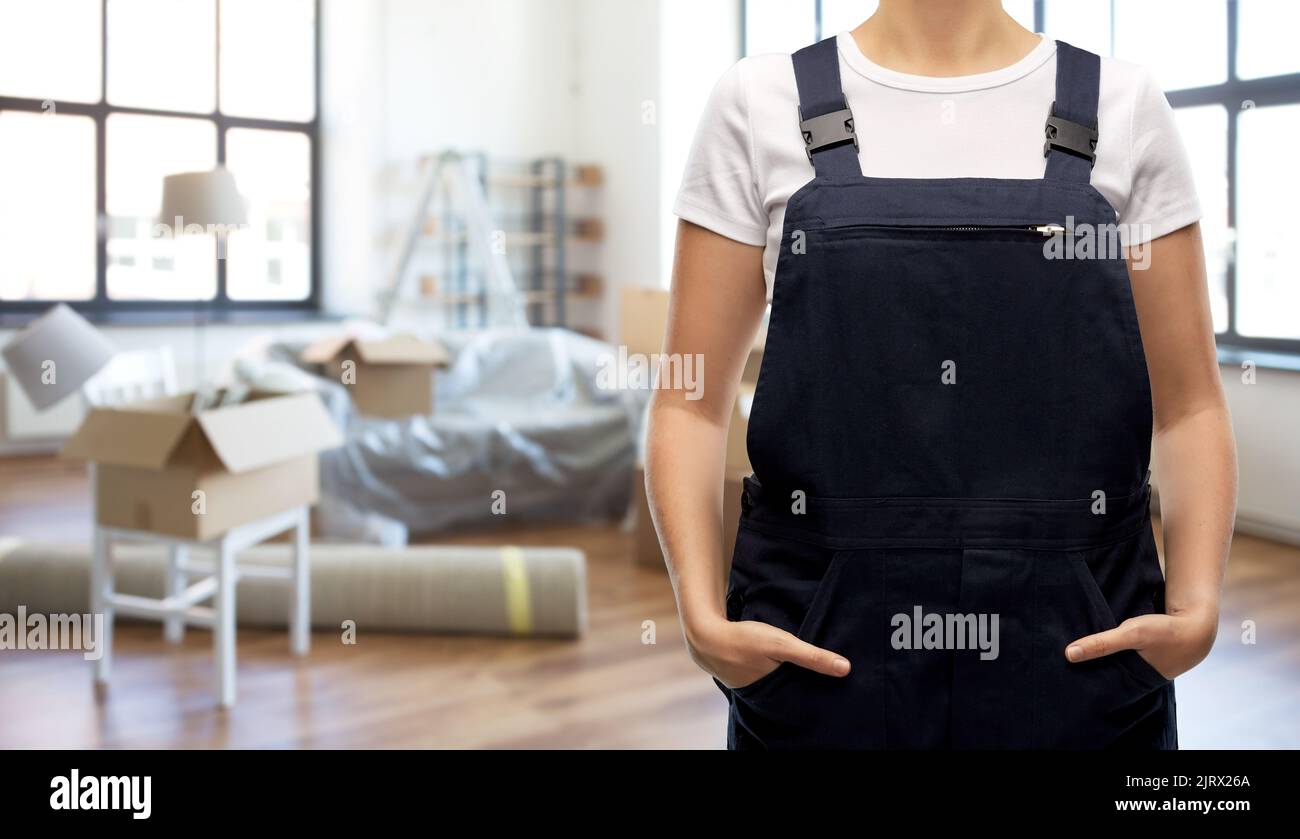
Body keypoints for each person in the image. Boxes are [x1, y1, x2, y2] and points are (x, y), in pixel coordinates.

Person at [645, 0, 1236, 749]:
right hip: (823, 656)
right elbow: (689, 402)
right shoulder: (758, 103)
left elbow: (1189, 405)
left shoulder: (1124, 106)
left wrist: (1196, 606)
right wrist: (701, 619)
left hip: (1081, 652)